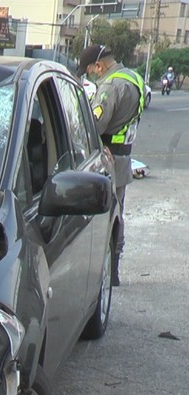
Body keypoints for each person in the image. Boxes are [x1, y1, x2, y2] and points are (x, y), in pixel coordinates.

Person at [78, 44, 145, 286]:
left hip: (108, 159)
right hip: (123, 157)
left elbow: (95, 126)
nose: (90, 76)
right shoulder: (134, 78)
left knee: (104, 215)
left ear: (98, 65)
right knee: (118, 213)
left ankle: (104, 270)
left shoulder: (110, 87)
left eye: (89, 71)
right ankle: (114, 268)